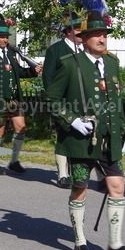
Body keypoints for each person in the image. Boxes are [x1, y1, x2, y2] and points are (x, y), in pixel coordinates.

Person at [46, 10, 125, 250]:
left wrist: (124, 133)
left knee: (118, 186)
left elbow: (116, 102)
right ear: (84, 38)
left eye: (104, 34)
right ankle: (80, 241)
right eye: (96, 34)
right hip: (81, 140)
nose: (102, 38)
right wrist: (72, 120)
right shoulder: (70, 64)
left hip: (110, 138)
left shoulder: (112, 63)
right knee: (80, 188)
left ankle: (115, 244)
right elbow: (51, 100)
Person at [0, 16, 41, 174]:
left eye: (6, 37)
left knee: (21, 127)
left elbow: (18, 72)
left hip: (13, 99)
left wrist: (32, 71)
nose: (5, 40)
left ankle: (14, 160)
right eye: (1, 37)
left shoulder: (12, 54)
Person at [42, 11, 85, 189]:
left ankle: (79, 170)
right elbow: (49, 77)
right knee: (63, 136)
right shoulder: (55, 50)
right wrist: (55, 101)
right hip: (63, 101)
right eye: (78, 31)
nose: (82, 35)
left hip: (82, 100)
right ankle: (62, 174)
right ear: (68, 32)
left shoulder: (85, 50)